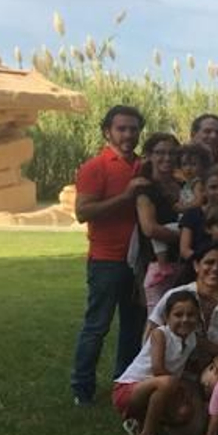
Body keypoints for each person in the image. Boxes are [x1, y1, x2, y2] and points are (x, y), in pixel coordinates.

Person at [70, 104, 150, 406]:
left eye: (133, 129)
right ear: (107, 132)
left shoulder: (144, 166)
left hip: (139, 262)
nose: (128, 134)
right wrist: (125, 197)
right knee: (97, 326)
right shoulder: (96, 167)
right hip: (106, 260)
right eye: (121, 128)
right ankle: (82, 389)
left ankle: (124, 386)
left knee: (133, 326)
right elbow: (82, 212)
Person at [112, 290, 201, 435]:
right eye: (178, 315)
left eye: (191, 315)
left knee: (183, 412)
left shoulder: (192, 339)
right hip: (129, 389)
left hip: (160, 387)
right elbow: (158, 369)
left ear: (198, 317)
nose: (185, 320)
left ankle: (138, 421)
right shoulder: (160, 334)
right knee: (168, 382)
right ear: (167, 317)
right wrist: (180, 386)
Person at [134, 132, 184, 310]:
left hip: (183, 261)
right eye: (160, 153)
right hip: (156, 265)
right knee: (158, 316)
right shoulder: (145, 188)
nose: (167, 158)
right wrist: (187, 237)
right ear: (149, 156)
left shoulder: (184, 186)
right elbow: (149, 228)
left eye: (172, 153)